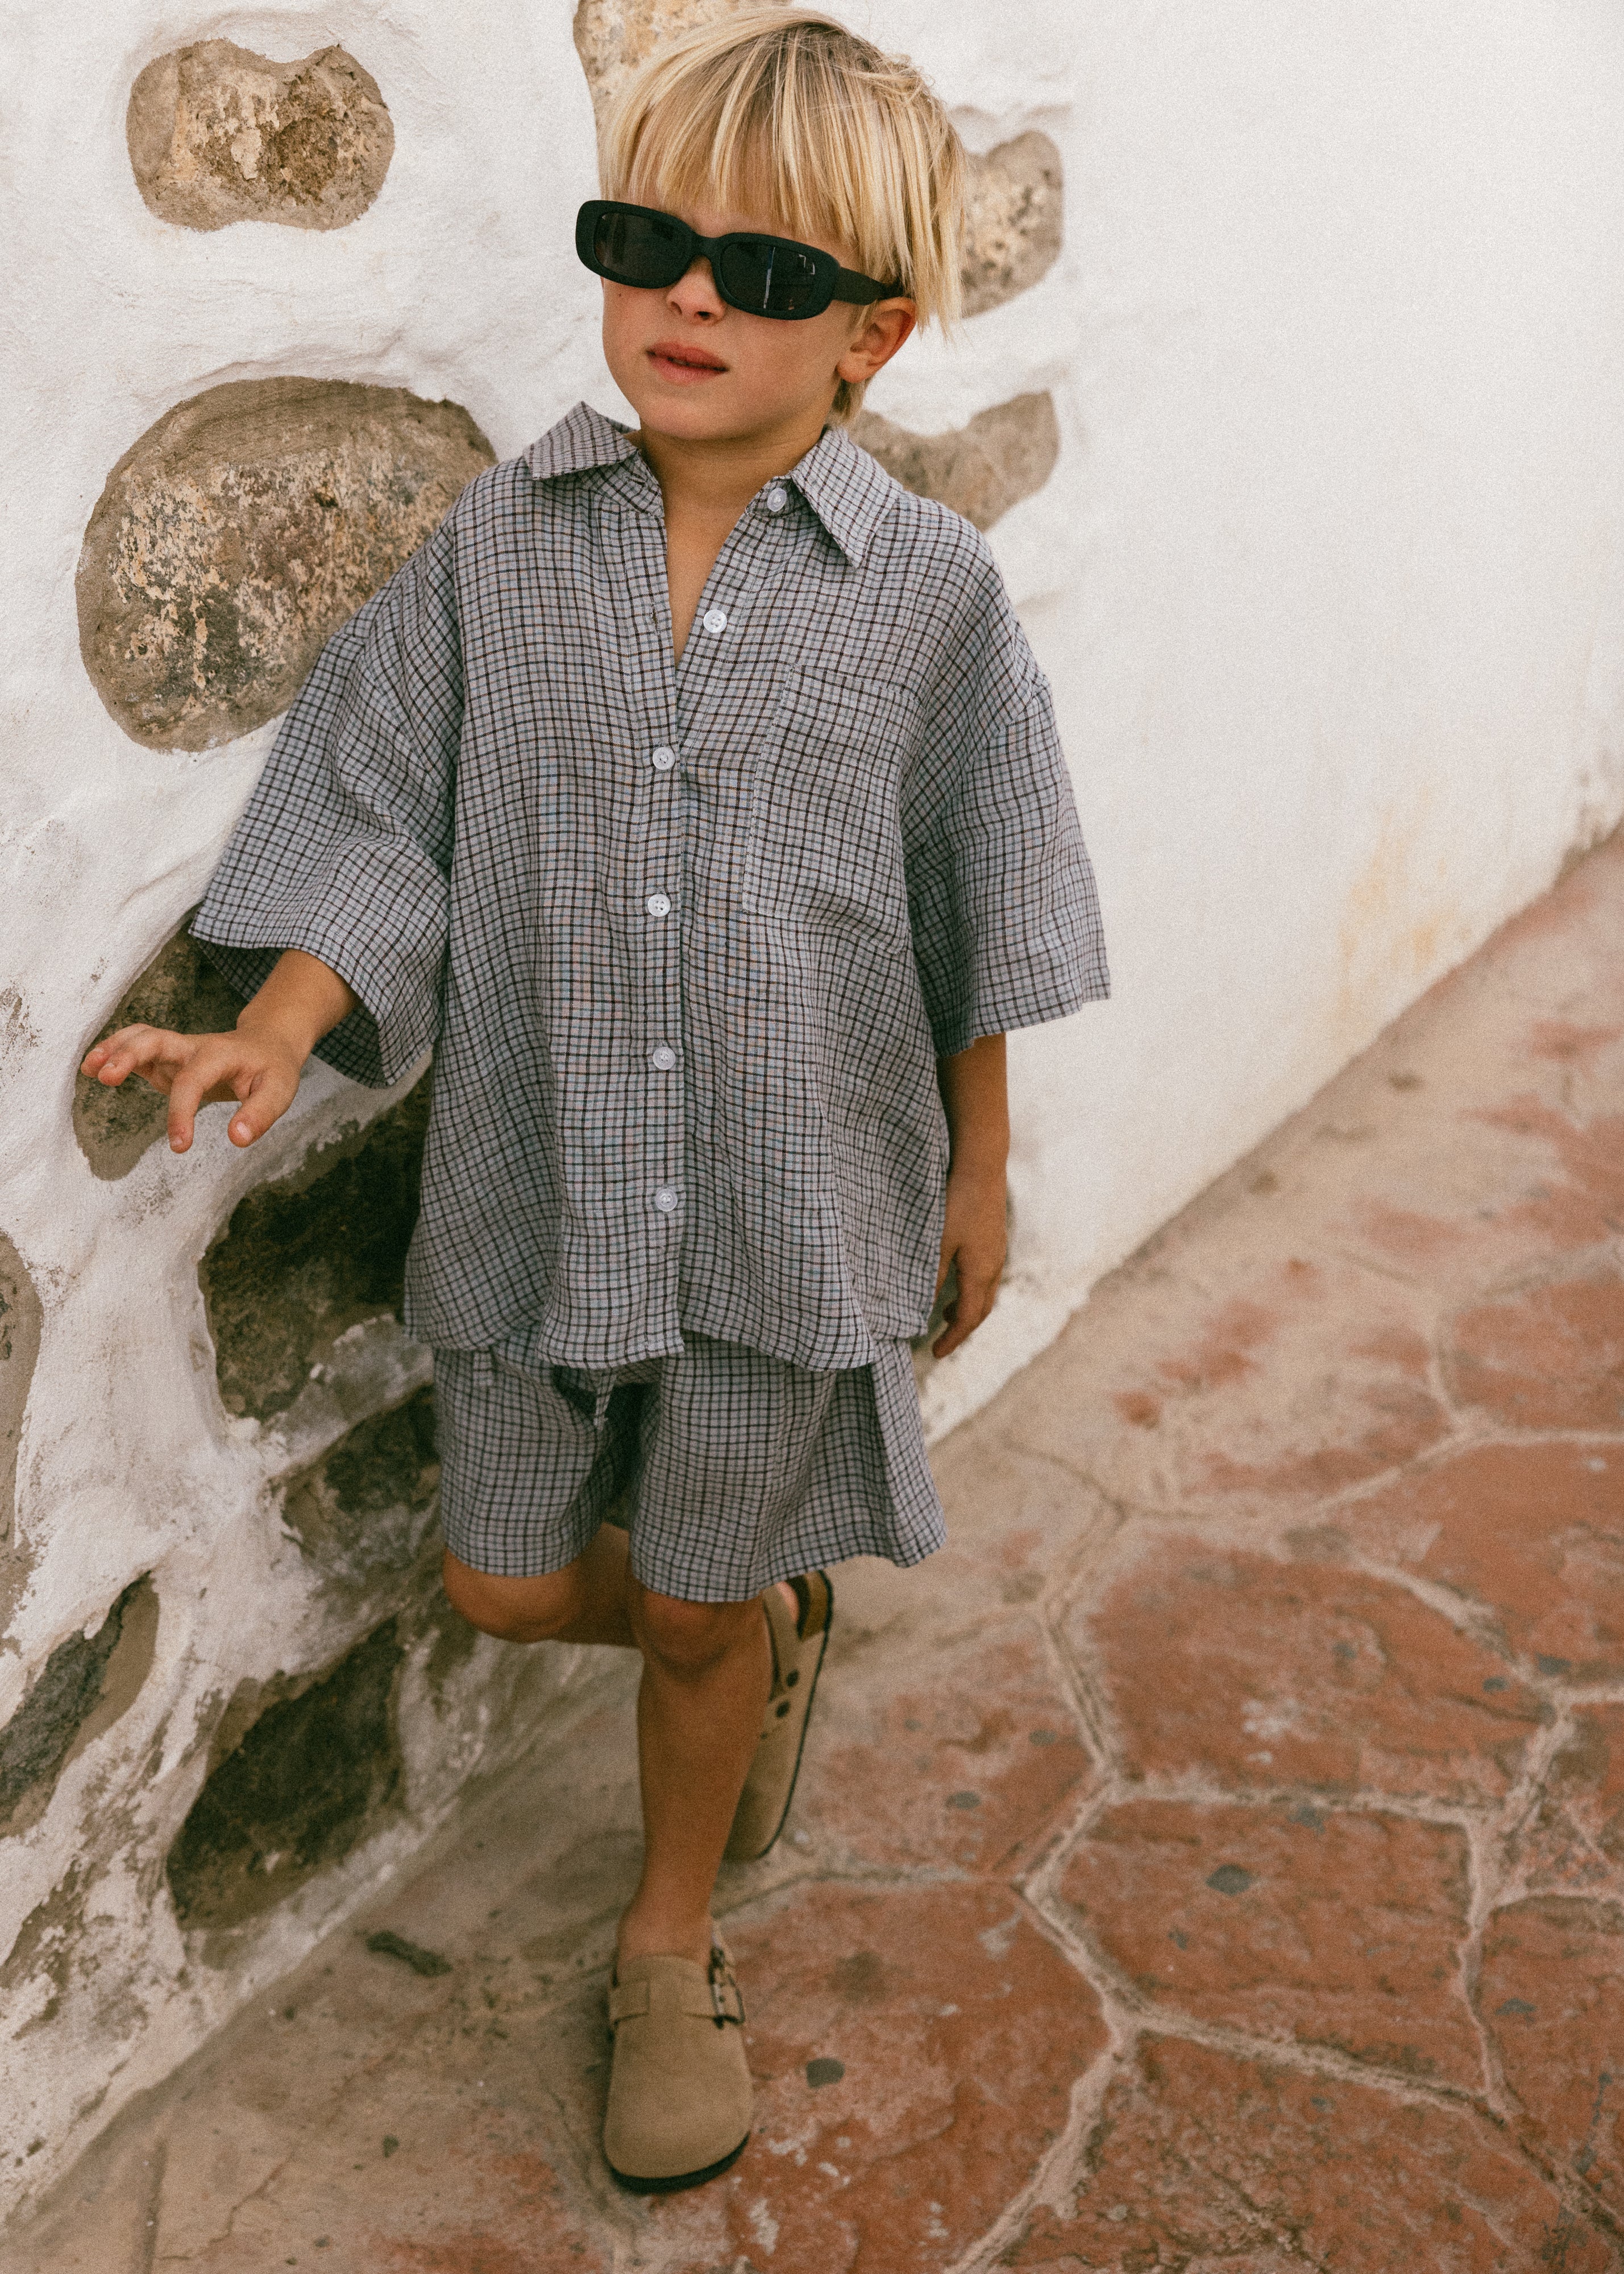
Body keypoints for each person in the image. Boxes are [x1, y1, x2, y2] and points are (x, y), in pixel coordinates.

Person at [80, 7, 1108, 2196]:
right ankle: (758, 1623)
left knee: (699, 1606)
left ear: (871, 333)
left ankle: (664, 1940)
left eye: (765, 270)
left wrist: (984, 1166)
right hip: (542, 1190)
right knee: (508, 1586)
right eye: (647, 242)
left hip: (793, 1207)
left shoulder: (927, 601)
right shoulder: (502, 551)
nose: (690, 298)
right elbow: (388, 811)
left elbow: (983, 890)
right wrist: (280, 1020)